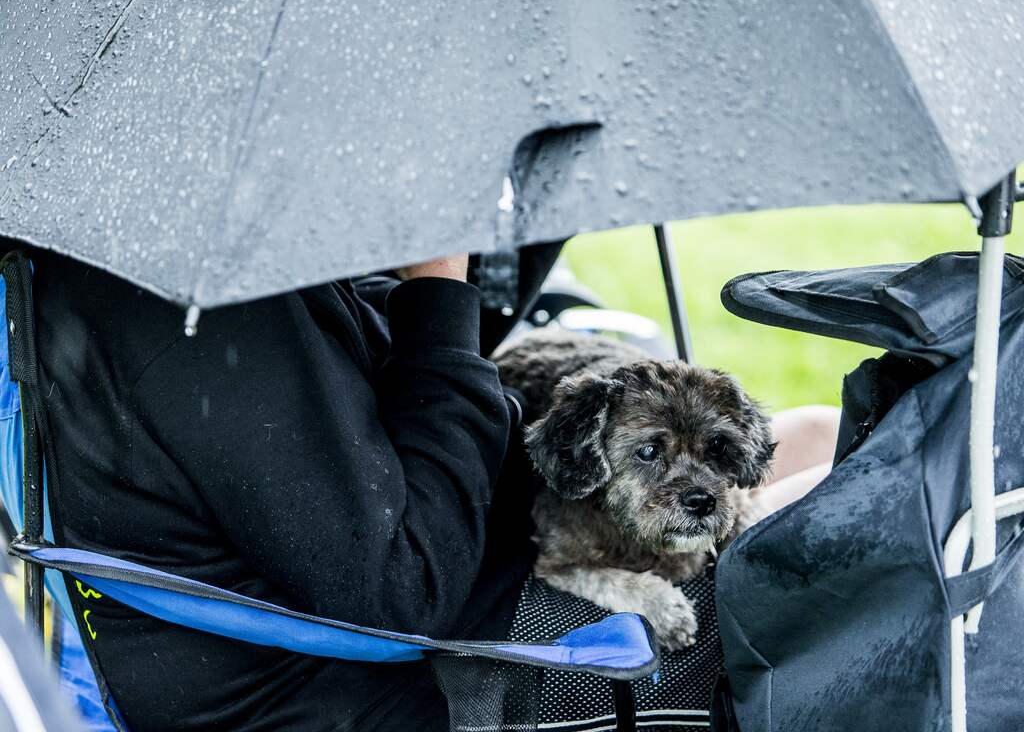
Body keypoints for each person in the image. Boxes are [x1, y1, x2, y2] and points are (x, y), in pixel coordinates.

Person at [28, 246, 836, 731]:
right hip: (437, 667)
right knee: (867, 515)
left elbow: (373, 388)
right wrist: (440, 282)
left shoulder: (227, 271)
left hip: (462, 544)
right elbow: (402, 588)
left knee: (823, 431)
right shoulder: (197, 320)